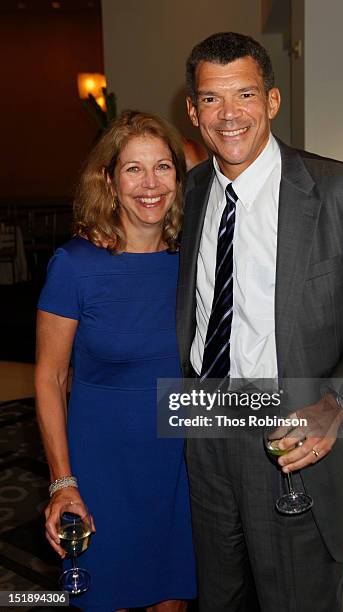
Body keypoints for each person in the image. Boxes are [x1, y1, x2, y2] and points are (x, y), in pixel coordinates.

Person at [176, 32, 343, 612]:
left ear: (273, 101)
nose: (229, 115)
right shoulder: (191, 190)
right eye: (211, 99)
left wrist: (338, 403)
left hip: (294, 427)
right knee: (219, 597)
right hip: (204, 426)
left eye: (245, 95)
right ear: (192, 110)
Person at [35, 110, 196, 612]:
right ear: (108, 179)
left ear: (178, 175)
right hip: (103, 466)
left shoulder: (194, 259)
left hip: (180, 466)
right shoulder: (75, 266)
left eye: (163, 167)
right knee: (107, 597)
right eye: (133, 169)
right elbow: (49, 377)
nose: (150, 184)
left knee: (172, 600)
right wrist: (63, 481)